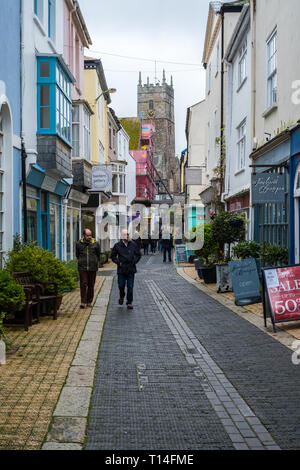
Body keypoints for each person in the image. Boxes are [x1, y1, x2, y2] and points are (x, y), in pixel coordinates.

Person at [111, 229, 141, 309]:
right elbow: (112, 256)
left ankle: (129, 302)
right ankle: (122, 296)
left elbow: (138, 254)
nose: (127, 236)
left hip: (131, 269)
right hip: (121, 269)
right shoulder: (117, 245)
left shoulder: (133, 244)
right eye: (125, 235)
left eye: (128, 234)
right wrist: (118, 262)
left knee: (130, 287)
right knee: (121, 285)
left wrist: (134, 261)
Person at [76, 228, 100, 309]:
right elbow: (77, 254)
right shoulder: (79, 243)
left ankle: (89, 301)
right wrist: (81, 261)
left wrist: (95, 262)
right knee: (83, 284)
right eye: (87, 235)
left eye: (90, 235)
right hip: (82, 267)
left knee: (91, 285)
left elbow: (98, 254)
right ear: (84, 235)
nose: (89, 237)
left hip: (92, 267)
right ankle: (83, 302)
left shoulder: (96, 244)